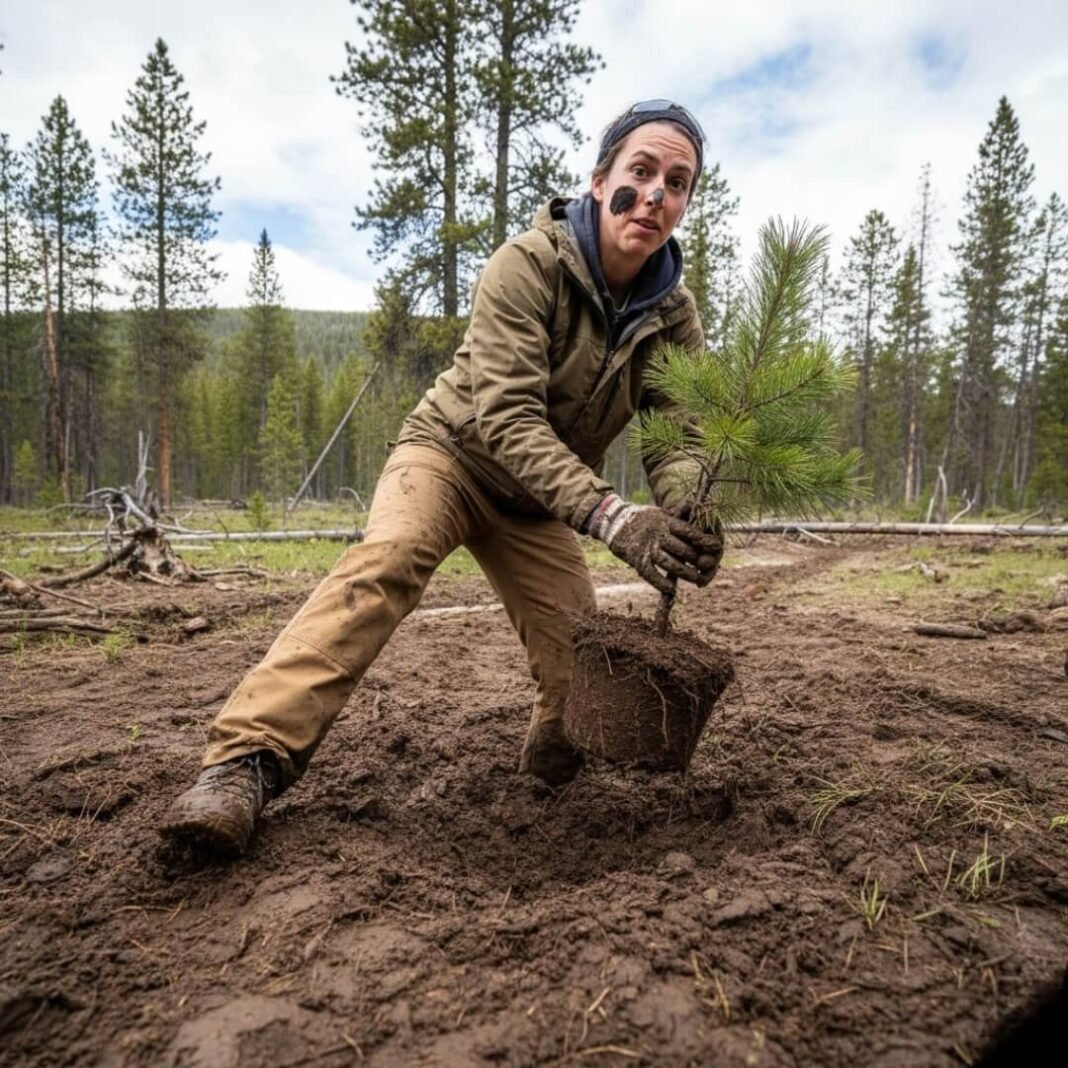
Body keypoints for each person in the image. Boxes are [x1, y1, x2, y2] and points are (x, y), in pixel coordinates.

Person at [161, 100, 725, 855]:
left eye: (678, 182)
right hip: (450, 458)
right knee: (386, 562)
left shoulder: (672, 315)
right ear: (600, 181)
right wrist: (617, 519)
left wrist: (688, 507)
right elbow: (508, 419)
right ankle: (243, 764)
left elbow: (678, 433)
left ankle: (549, 778)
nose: (657, 194)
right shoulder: (528, 265)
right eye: (642, 172)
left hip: (538, 508)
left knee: (578, 667)